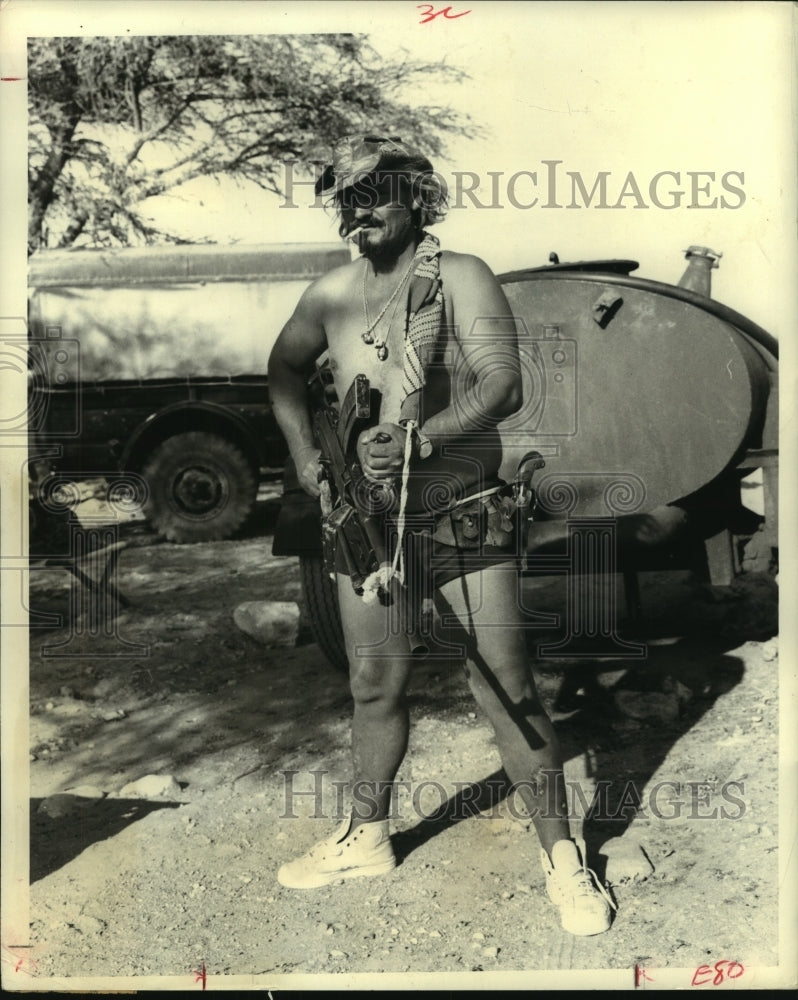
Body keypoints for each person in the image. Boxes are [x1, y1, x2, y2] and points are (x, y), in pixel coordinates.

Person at [268, 134, 614, 936]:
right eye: (346, 200)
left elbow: (501, 382)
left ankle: (565, 860)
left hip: (459, 512)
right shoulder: (329, 294)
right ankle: (367, 836)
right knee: (372, 685)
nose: (359, 212)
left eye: (373, 195)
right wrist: (305, 461)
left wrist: (424, 439)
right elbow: (284, 372)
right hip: (365, 522)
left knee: (506, 688)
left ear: (417, 196)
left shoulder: (459, 276)